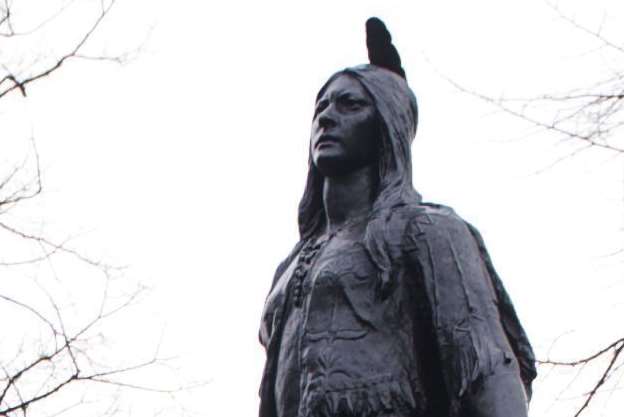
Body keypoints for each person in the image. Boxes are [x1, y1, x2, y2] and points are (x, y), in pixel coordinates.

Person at [258, 18, 536, 417]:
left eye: (351, 104)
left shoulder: (429, 231)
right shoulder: (291, 264)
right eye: (321, 107)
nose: (327, 117)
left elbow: (487, 371)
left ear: (388, 125)